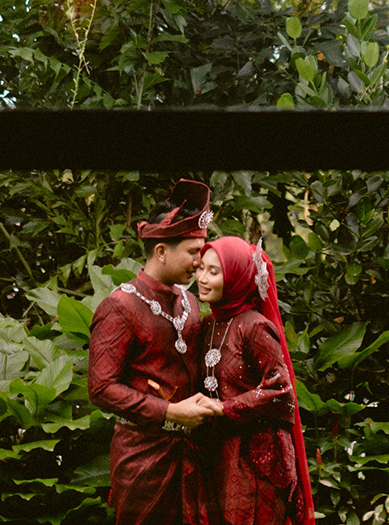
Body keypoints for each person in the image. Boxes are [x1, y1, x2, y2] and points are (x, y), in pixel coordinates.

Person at [87, 178, 219, 524]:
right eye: (193, 251)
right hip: (143, 459)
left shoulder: (191, 302)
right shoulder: (120, 306)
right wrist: (170, 412)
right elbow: (101, 388)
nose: (199, 262)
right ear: (161, 250)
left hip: (194, 455)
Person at [192, 235, 314, 525]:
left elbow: (281, 390)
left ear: (236, 277)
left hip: (256, 457)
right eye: (200, 268)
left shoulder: (255, 327)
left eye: (214, 271)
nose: (202, 278)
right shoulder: (207, 323)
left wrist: (225, 407)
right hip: (219, 450)